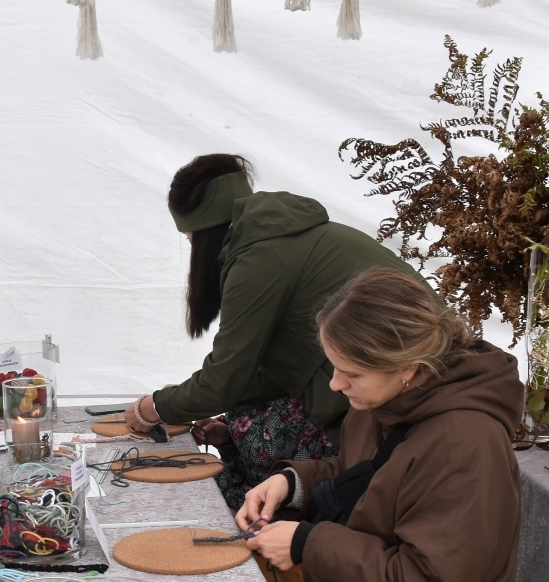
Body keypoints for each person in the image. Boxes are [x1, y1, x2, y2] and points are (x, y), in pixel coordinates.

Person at [237, 267, 522, 582]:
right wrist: (289, 485)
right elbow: (364, 479)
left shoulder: (465, 446)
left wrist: (307, 544)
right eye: (333, 367)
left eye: (350, 373)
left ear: (407, 367)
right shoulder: (387, 404)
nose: (334, 385)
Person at [123, 154, 416, 509]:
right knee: (246, 415)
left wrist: (154, 407)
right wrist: (187, 401)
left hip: (392, 409)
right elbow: (273, 371)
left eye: (189, 237)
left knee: (258, 426)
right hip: (385, 394)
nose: (189, 245)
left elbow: (225, 379)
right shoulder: (285, 236)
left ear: (205, 230)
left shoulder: (258, 258)